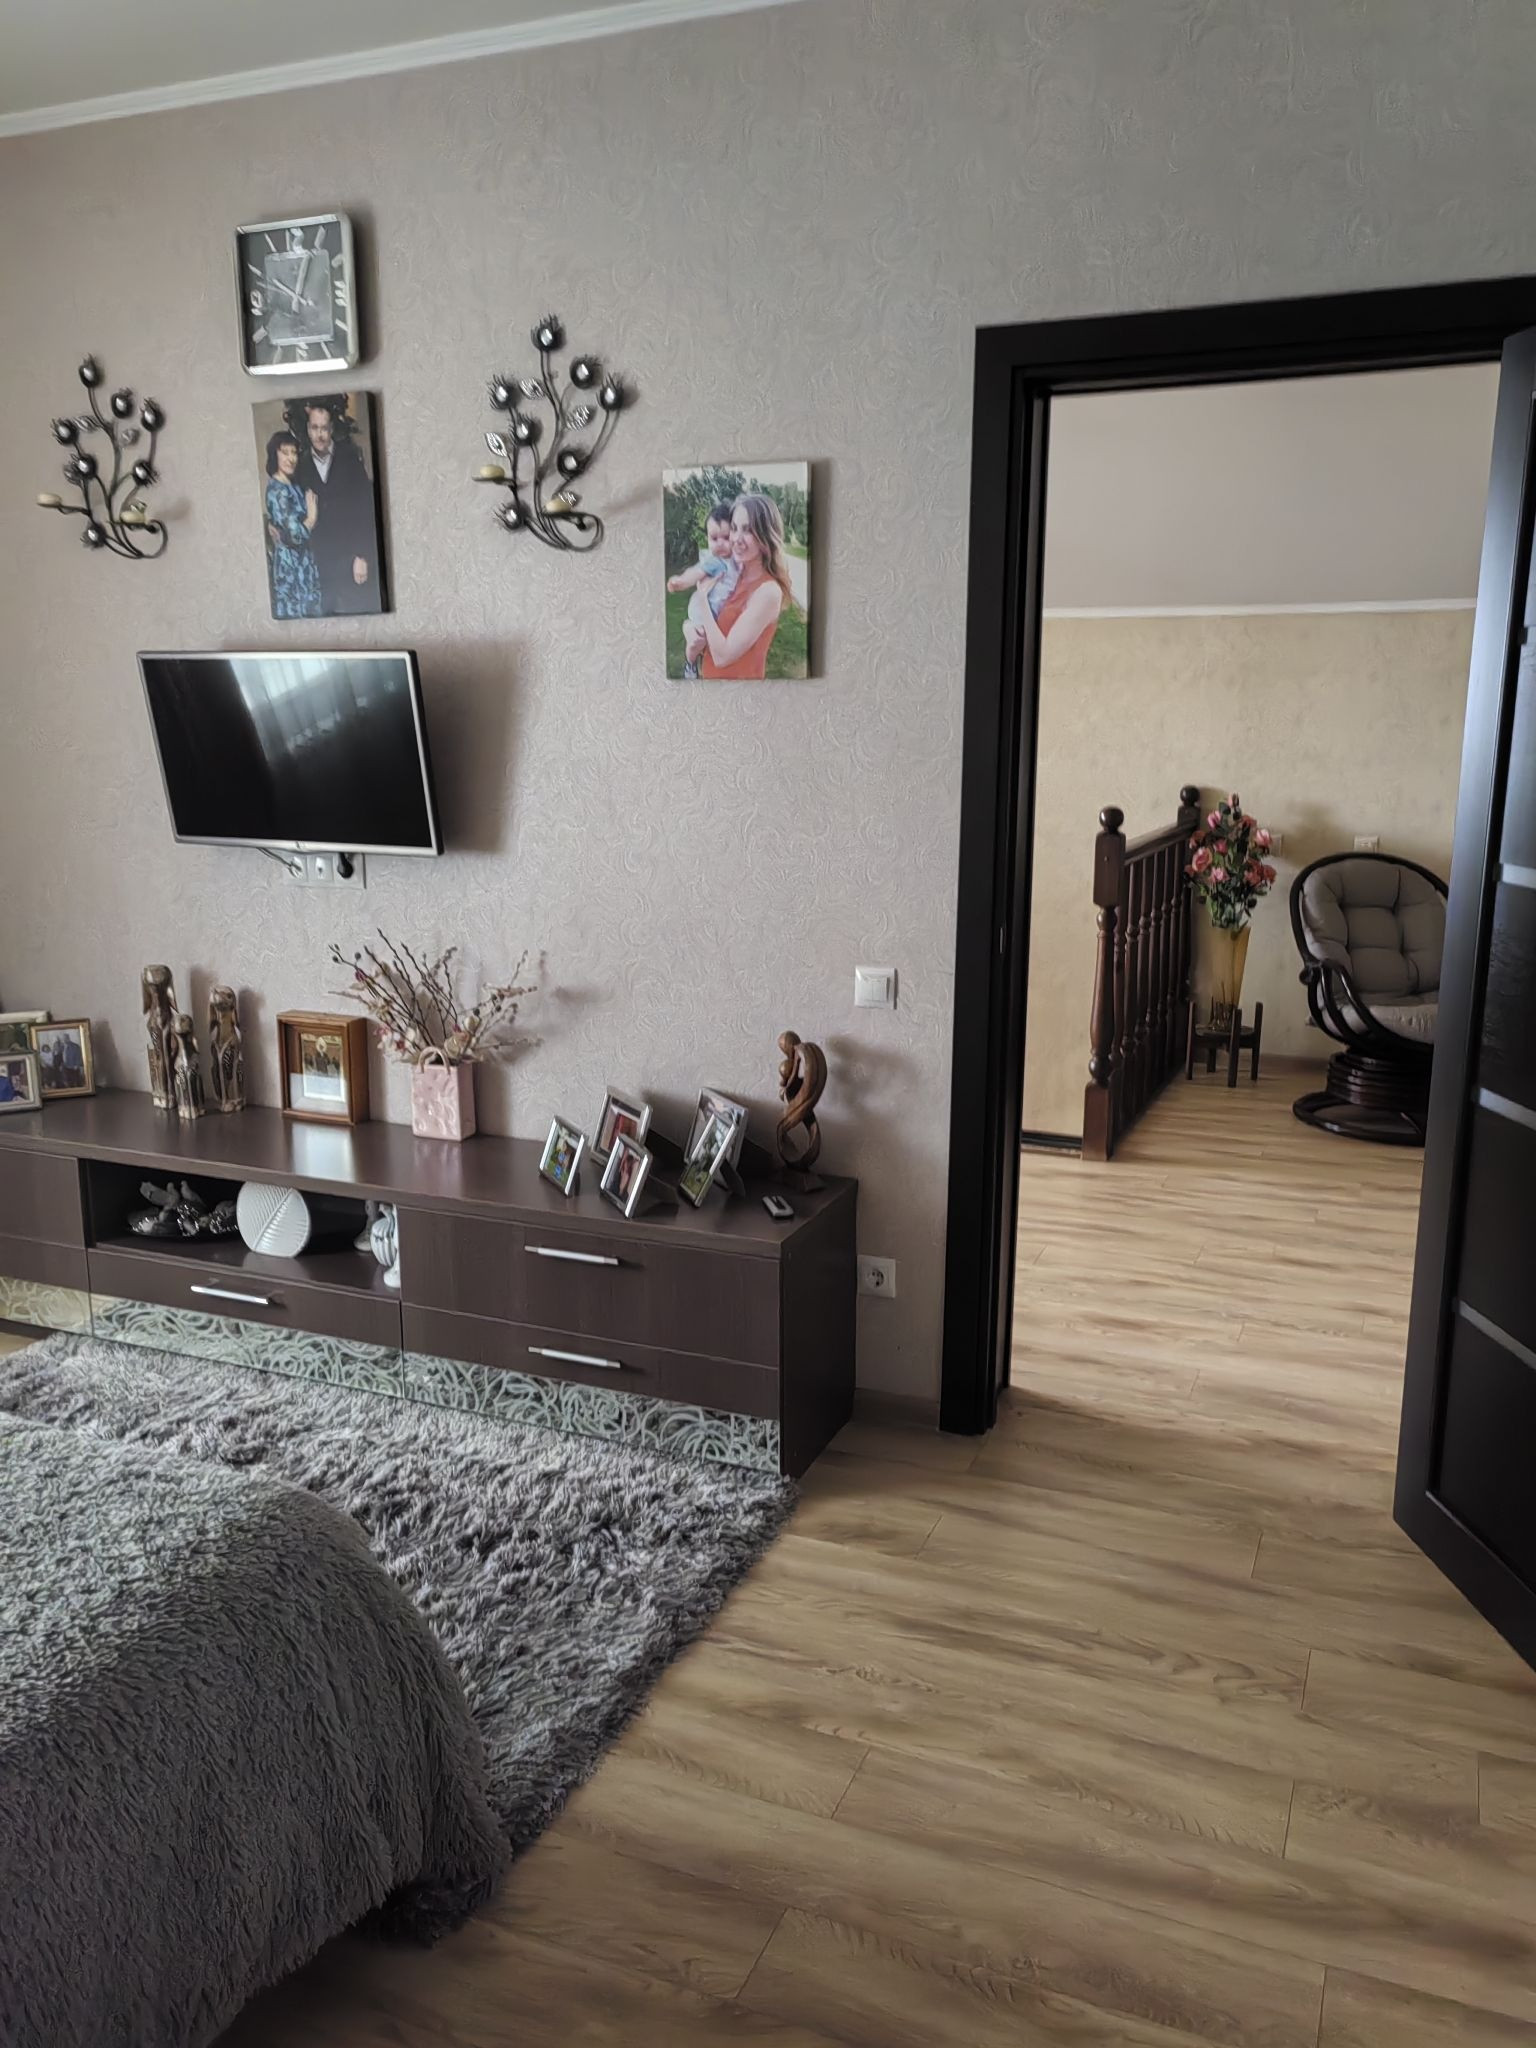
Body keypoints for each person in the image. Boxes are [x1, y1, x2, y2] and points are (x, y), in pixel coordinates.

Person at [692, 493, 793, 681]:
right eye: (734, 528)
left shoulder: (768, 592)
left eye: (747, 530)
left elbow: (722, 657)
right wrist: (690, 631)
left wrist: (702, 599)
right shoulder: (733, 575)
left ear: (765, 536)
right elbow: (709, 632)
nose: (736, 539)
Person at [291, 398, 378, 615]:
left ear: (331, 429)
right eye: (314, 428)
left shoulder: (350, 459)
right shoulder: (301, 466)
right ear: (308, 429)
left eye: (324, 428)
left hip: (351, 558)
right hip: (319, 562)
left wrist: (362, 555)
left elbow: (366, 509)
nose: (319, 434)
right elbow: (294, 510)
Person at [667, 501, 739, 679]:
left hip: (719, 615)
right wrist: (681, 582)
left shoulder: (738, 561)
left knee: (714, 645)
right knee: (696, 643)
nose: (720, 543)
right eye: (714, 538)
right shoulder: (715, 561)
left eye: (726, 537)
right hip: (703, 613)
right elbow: (696, 572)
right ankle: (690, 664)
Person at [262, 430, 321, 620]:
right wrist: (311, 518)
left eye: (294, 452)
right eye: (285, 452)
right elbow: (294, 535)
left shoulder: (293, 485)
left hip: (305, 562)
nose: (291, 458)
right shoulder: (277, 490)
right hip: (290, 568)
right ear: (275, 455)